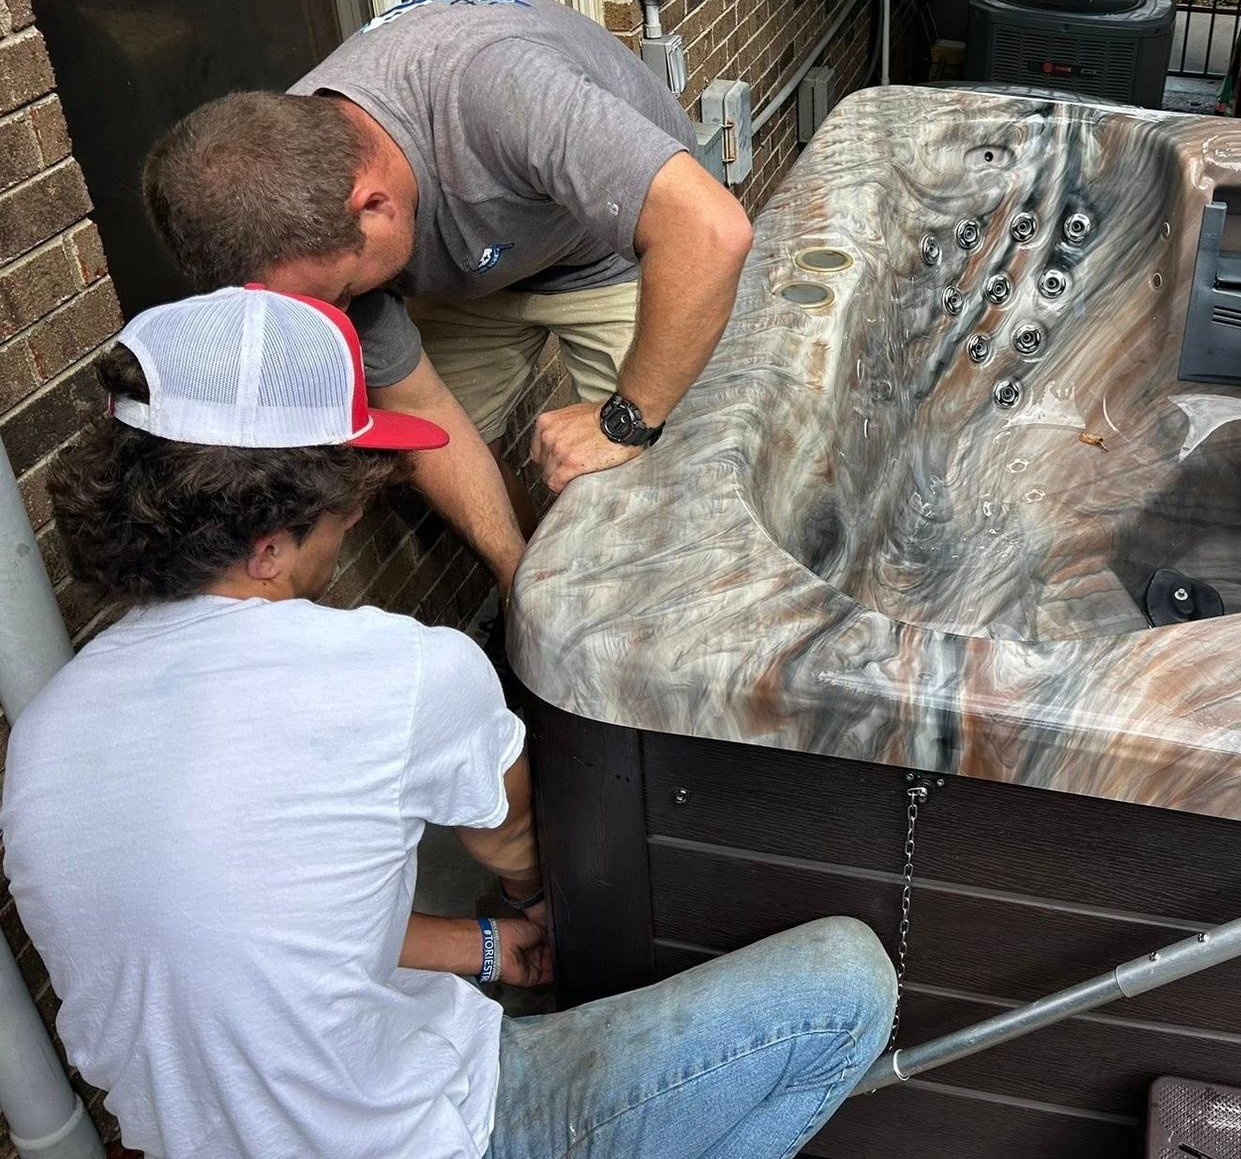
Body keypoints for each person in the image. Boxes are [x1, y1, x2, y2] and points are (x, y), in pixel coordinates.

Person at [0, 286, 894, 1159]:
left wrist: (488, 948)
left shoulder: (44, 738)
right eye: (339, 497)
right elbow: (521, 848)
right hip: (436, 1132)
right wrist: (551, 902)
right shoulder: (397, 673)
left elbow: (259, 944)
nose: (356, 510)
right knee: (847, 988)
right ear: (267, 545)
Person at [140, 0, 757, 597]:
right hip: (471, 264)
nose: (339, 317)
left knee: (648, 475)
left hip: (610, 249)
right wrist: (517, 578)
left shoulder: (500, 88)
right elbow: (426, 410)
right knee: (461, 437)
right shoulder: (285, 198)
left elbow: (711, 233)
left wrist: (625, 421)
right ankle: (549, 588)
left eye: (345, 295)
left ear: (373, 207)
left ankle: (661, 615)